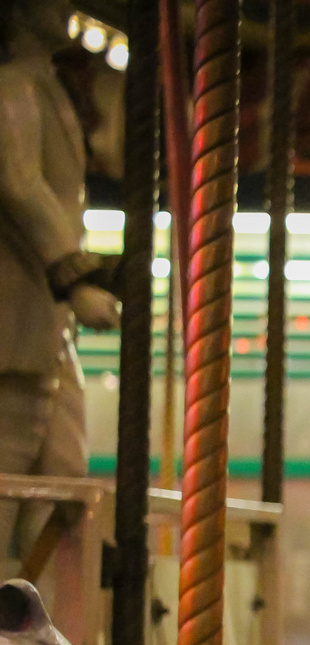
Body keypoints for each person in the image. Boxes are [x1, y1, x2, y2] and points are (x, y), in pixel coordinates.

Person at [0, 0, 117, 566]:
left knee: (66, 473)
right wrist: (73, 276)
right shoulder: (14, 85)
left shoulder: (43, 85)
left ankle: (25, 605)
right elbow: (20, 185)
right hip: (21, 312)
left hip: (47, 324)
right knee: (10, 472)